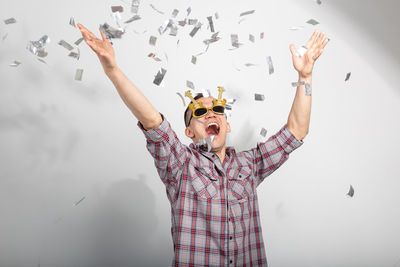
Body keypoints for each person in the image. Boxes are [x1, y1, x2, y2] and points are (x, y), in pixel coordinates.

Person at [77, 23, 328, 266]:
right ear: (189, 132)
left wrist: (305, 76)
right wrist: (113, 71)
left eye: (217, 109)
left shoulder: (250, 164)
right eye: (199, 112)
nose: (210, 114)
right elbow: (152, 121)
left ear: (226, 124)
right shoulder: (180, 164)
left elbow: (296, 130)